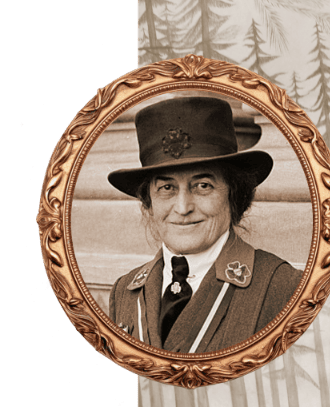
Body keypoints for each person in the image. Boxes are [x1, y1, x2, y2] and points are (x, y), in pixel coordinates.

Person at [107, 96, 302, 354]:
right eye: (166, 188)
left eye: (203, 186)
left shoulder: (283, 287)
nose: (183, 207)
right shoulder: (125, 291)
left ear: (234, 196)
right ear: (149, 202)